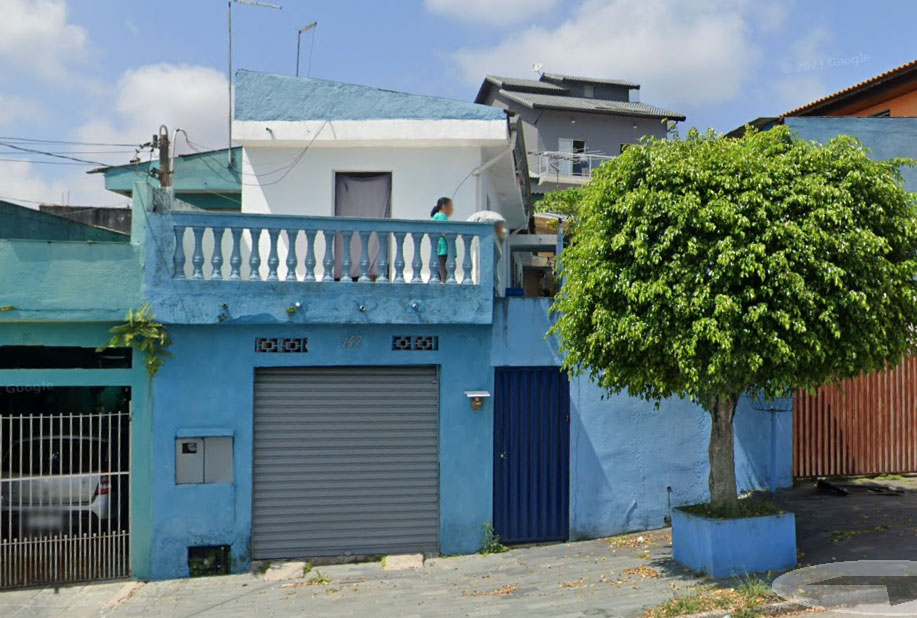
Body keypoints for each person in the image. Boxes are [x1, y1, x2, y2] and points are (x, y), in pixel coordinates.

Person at [430, 197, 453, 281]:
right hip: (443, 249)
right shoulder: (442, 216)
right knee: (444, 275)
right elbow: (445, 232)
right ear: (443, 206)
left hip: (437, 249)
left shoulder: (435, 217)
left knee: (438, 274)